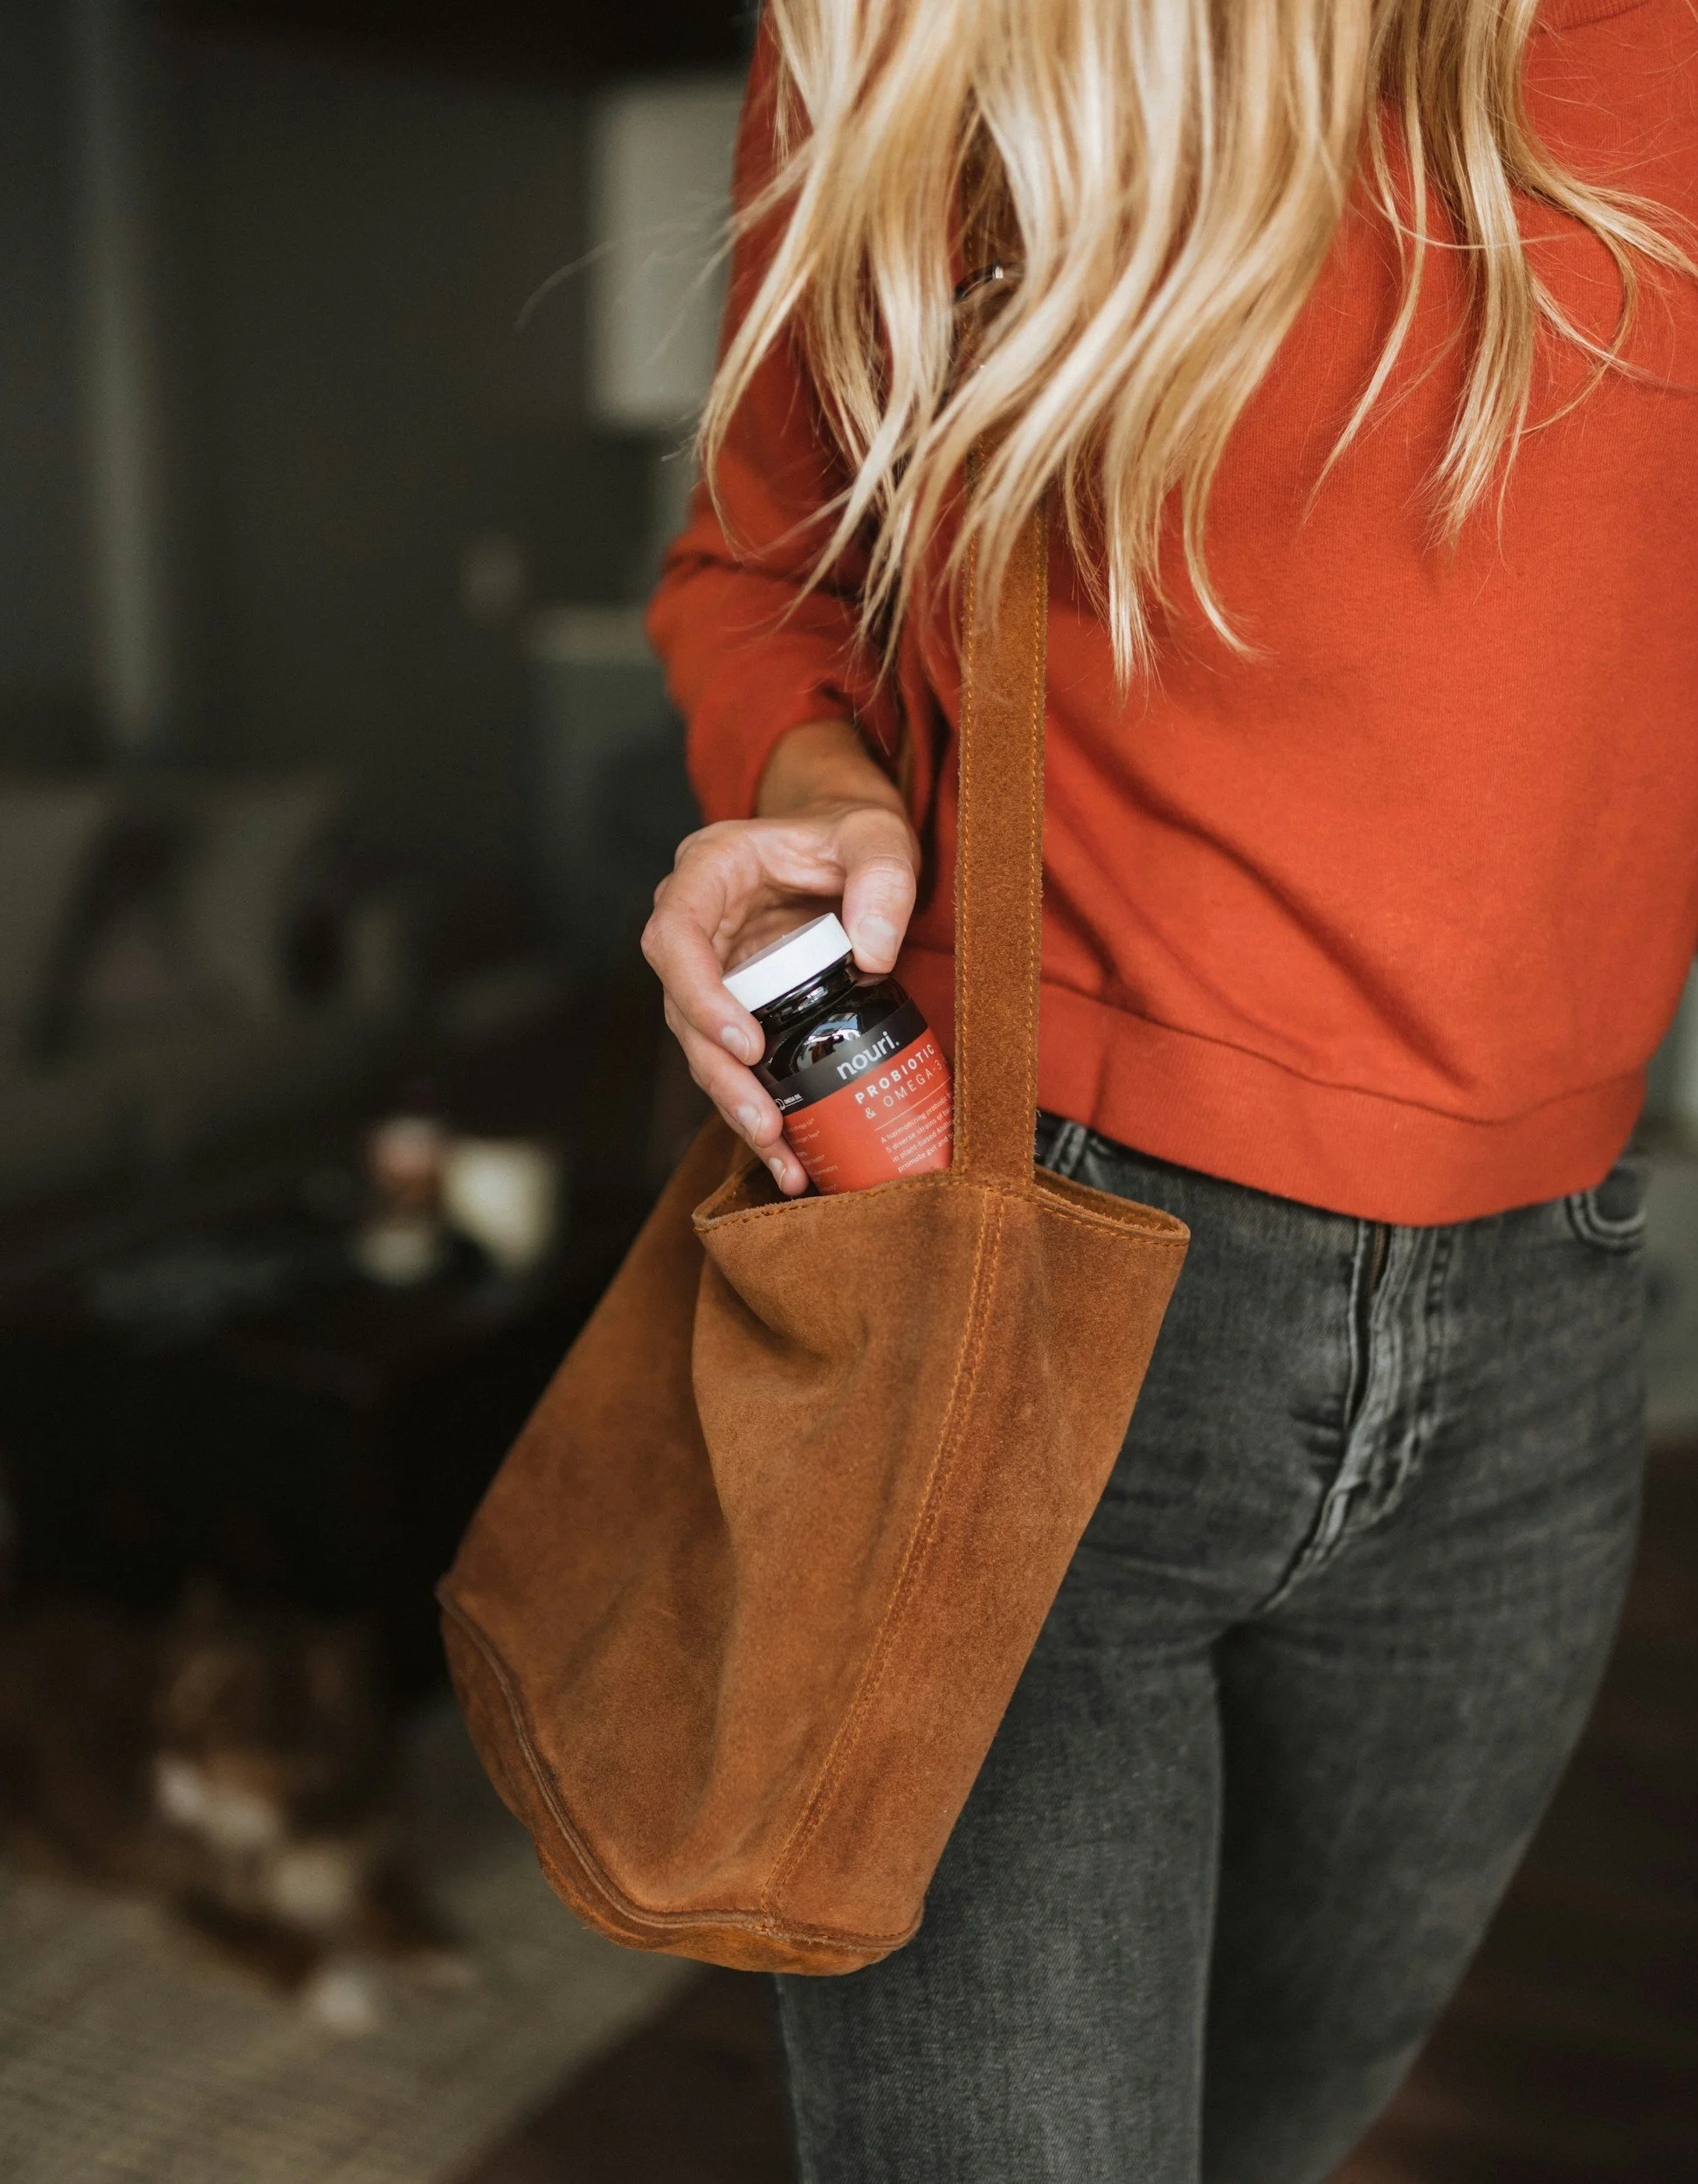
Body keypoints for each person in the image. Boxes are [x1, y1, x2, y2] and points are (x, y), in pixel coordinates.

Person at [641, 3, 1698, 2177]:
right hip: (1006, 1264)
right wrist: (800, 792)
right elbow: (764, 569)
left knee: (1262, 2142)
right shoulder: (917, 26)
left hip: (1545, 1327)